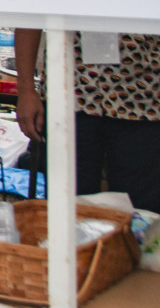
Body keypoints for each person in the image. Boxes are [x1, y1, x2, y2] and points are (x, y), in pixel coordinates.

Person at [14, 31, 160, 213]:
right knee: (66, 203)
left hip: (143, 95)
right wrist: (26, 89)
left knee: (141, 209)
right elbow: (30, 21)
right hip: (70, 92)